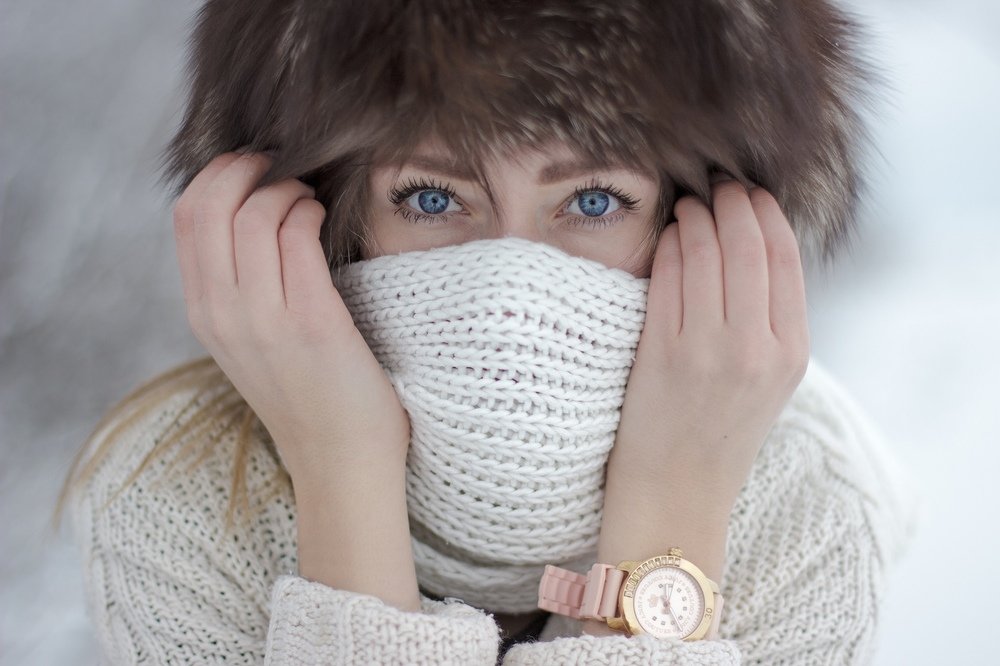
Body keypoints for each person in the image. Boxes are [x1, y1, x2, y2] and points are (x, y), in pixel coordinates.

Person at [55, 0, 919, 663]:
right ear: (331, 218)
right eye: (433, 197)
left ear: (699, 224)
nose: (511, 290)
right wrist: (340, 466)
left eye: (593, 200)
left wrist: (675, 504)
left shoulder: (809, 512)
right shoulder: (178, 497)